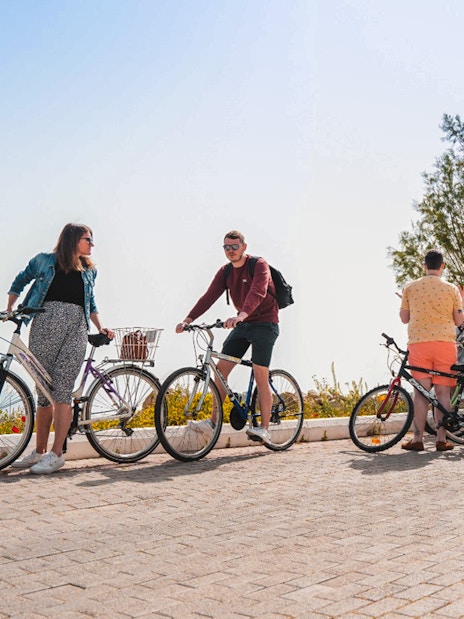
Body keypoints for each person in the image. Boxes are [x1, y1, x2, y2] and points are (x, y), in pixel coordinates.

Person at [5, 223, 114, 474]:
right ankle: (39, 452)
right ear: (73, 239)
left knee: (62, 388)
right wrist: (10, 306)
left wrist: (100, 326)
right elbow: (20, 280)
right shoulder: (44, 261)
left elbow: (91, 302)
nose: (92, 244)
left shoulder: (89, 271)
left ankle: (56, 455)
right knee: (43, 391)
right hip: (43, 326)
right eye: (88, 239)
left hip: (75, 329)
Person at [176, 230, 279, 445]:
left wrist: (241, 314)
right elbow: (209, 296)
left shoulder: (259, 264)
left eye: (234, 246)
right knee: (221, 369)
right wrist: (188, 319)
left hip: (265, 323)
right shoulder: (225, 272)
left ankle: (265, 428)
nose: (230, 251)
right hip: (243, 324)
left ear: (244, 246)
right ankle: (213, 423)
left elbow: (258, 292)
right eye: (226, 247)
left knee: (260, 373)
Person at [399, 249, 464, 452]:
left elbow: (404, 318)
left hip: (419, 343)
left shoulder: (411, 288)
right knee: (443, 392)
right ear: (442, 266)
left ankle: (417, 440)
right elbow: (459, 320)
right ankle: (441, 439)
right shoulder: (452, 289)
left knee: (421, 393)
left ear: (424, 265)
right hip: (445, 344)